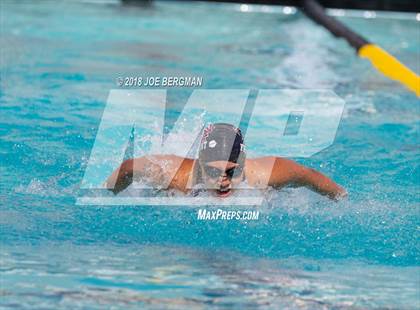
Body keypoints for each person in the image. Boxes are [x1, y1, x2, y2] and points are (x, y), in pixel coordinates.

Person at [106, 123, 347, 200]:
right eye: (212, 171)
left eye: (231, 172)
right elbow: (128, 168)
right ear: (200, 164)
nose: (222, 179)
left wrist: (342, 200)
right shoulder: (175, 176)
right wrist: (109, 195)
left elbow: (310, 176)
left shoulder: (265, 174)